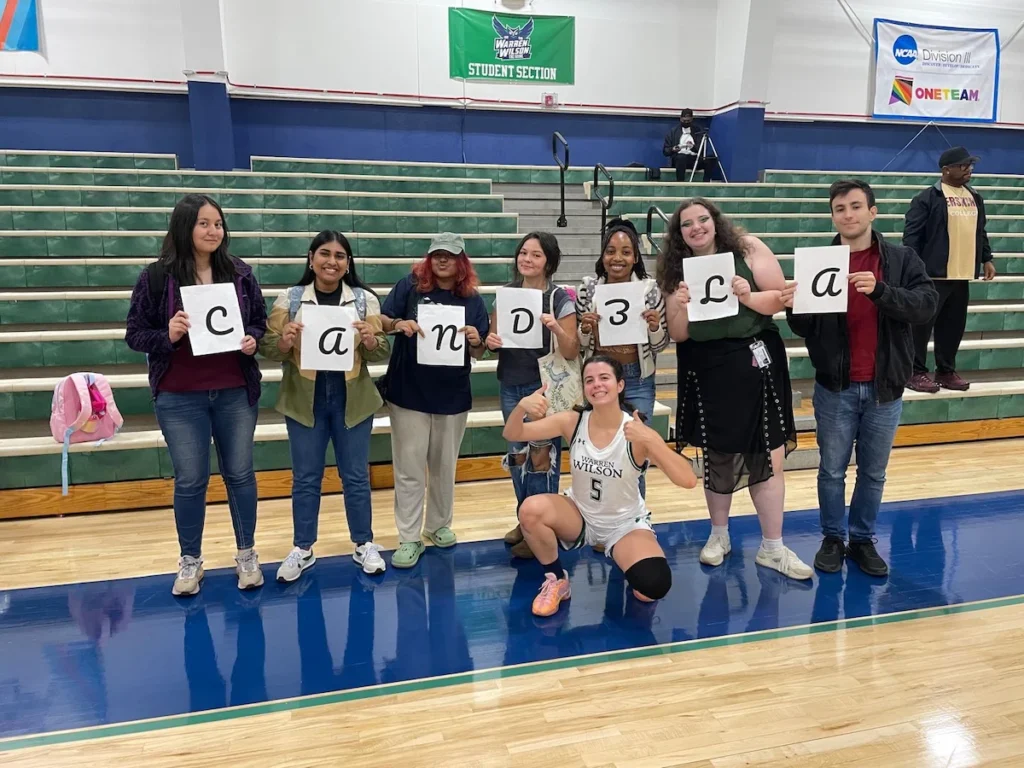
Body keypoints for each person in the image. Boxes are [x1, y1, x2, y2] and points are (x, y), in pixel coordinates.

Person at [782, 180, 937, 577]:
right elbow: (802, 327)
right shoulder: (819, 261)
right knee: (831, 469)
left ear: (873, 211)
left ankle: (863, 540)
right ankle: (832, 538)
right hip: (835, 386)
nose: (847, 214)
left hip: (885, 388)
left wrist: (882, 291)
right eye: (839, 208)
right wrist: (793, 303)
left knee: (873, 472)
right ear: (832, 216)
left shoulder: (902, 259)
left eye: (855, 206)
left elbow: (926, 306)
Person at [658, 197, 812, 581]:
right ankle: (719, 535)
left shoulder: (749, 247)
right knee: (718, 455)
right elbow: (678, 333)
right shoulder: (675, 271)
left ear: (715, 221)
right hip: (708, 365)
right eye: (686, 224)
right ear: (679, 234)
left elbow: (782, 299)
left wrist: (746, 295)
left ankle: (773, 546)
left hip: (756, 360)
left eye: (702, 219)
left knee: (770, 455)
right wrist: (678, 306)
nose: (696, 227)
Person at [125, 193, 267, 596]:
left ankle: (247, 554)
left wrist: (252, 340)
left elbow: (258, 322)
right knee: (190, 479)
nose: (213, 231)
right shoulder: (155, 277)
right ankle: (190, 560)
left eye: (218, 224)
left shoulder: (240, 273)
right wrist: (166, 335)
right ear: (184, 227)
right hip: (179, 395)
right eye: (204, 223)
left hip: (234, 391)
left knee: (240, 474)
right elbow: (135, 335)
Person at [503, 355, 698, 617]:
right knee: (530, 510)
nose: (597, 385)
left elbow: (688, 480)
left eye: (604, 378)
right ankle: (557, 580)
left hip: (624, 525)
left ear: (619, 385)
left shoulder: (635, 431)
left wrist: (653, 441)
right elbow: (513, 434)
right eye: (589, 380)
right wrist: (521, 409)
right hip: (579, 515)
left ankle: (625, 555)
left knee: (653, 586)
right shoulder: (573, 421)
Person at [259, 230, 392, 583]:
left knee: (356, 477)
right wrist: (284, 341)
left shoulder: (364, 300)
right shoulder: (289, 299)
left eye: (340, 256)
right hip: (305, 400)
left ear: (348, 264)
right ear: (311, 258)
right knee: (305, 478)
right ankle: (302, 547)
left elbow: (382, 351)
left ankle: (364, 542)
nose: (332, 261)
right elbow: (268, 348)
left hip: (353, 400)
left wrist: (370, 339)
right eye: (325, 254)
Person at [379, 233, 489, 569]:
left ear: (461, 261)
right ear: (428, 259)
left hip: (452, 394)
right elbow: (383, 320)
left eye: (450, 255)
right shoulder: (409, 286)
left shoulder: (472, 299)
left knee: (443, 467)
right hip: (408, 390)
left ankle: (438, 525)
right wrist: (399, 323)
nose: (443, 260)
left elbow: (480, 349)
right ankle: (409, 537)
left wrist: (475, 339)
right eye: (437, 255)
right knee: (409, 469)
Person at [486, 232, 578, 560]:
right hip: (511, 384)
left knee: (542, 460)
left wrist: (555, 327)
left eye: (536, 255)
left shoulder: (560, 298)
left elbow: (571, 350)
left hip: (544, 388)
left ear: (548, 262)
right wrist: (490, 341)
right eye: (523, 253)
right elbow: (492, 339)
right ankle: (525, 518)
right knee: (517, 457)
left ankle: (542, 525)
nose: (527, 259)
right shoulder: (506, 295)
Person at [576, 217, 669, 498]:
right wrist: (584, 328)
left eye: (626, 252)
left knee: (634, 451)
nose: (618, 258)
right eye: (611, 251)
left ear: (635, 257)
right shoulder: (588, 288)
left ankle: (635, 518)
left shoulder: (650, 290)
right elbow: (581, 346)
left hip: (638, 378)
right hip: (600, 380)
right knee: (600, 449)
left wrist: (654, 327)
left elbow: (661, 344)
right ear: (602, 255)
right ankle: (601, 513)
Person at [903, 146, 995, 393]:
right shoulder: (926, 199)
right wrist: (914, 271)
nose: (969, 169)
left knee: (953, 327)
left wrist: (987, 258)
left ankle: (945, 371)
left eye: (970, 165)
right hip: (932, 275)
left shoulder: (975, 197)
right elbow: (911, 238)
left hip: (962, 273)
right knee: (921, 327)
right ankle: (915, 372)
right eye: (964, 166)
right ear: (946, 170)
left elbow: (980, 231)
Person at [663, 109, 711, 182]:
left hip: (694, 159)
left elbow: (701, 149)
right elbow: (665, 151)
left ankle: (706, 183)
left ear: (692, 119)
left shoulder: (697, 130)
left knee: (711, 160)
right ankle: (680, 183)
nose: (686, 123)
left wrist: (693, 147)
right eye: (684, 121)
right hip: (679, 158)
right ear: (680, 119)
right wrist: (673, 149)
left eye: (688, 121)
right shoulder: (673, 132)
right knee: (681, 157)